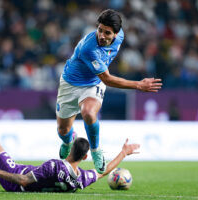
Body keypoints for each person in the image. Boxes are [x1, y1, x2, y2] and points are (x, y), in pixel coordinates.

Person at [0, 102, 140, 192]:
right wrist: (123, 153)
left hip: (16, 178)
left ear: (69, 149)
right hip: (22, 179)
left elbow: (22, 179)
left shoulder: (55, 165)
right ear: (85, 157)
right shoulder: (83, 179)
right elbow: (104, 171)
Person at [56, 9, 162, 174]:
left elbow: (103, 77)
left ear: (116, 33)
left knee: (89, 113)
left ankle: (96, 150)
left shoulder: (120, 36)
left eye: (107, 32)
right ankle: (68, 140)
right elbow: (108, 78)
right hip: (70, 84)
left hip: (93, 83)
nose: (102, 36)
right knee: (63, 130)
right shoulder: (88, 48)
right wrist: (138, 85)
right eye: (99, 30)